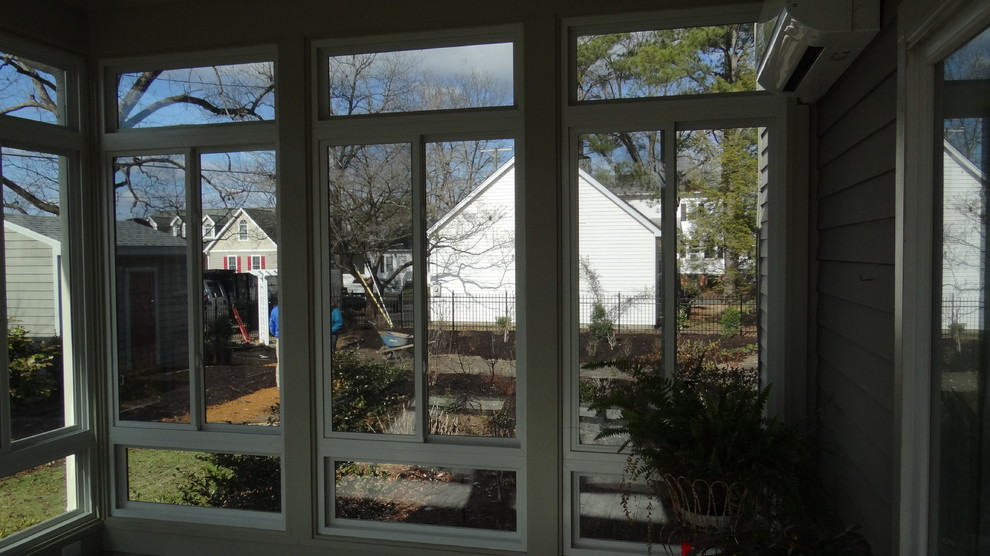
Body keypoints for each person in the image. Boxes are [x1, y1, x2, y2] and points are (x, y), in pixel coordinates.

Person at [269, 304, 279, 388]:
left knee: (280, 362)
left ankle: (279, 384)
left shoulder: (274, 310)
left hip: (279, 338)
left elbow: (271, 327)